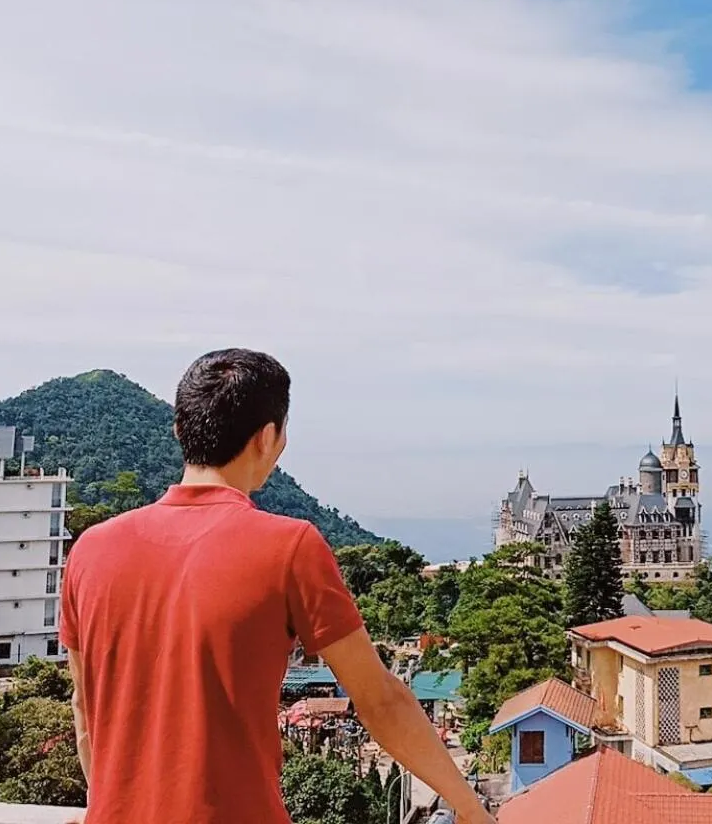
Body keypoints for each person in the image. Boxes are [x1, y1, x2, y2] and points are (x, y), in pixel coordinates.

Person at [61, 348, 496, 824]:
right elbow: (382, 701)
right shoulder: (290, 547)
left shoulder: (90, 550)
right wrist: (472, 810)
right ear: (269, 437)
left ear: (179, 431)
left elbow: (87, 712)